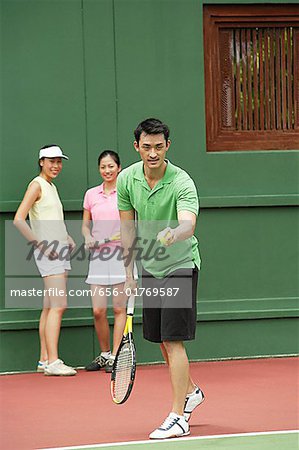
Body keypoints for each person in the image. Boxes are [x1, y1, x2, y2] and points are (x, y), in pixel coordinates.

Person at [117, 118, 204, 439]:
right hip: (150, 266)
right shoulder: (127, 179)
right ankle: (192, 391)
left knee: (172, 339)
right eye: (146, 146)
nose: (152, 153)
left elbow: (188, 224)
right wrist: (128, 271)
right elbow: (127, 229)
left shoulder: (182, 182)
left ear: (168, 146)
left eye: (158, 146)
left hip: (180, 263)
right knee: (160, 342)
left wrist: (173, 233)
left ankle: (178, 416)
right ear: (136, 147)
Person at [14, 145, 77, 376]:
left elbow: (49, 219)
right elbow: (19, 219)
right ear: (41, 162)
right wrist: (41, 245)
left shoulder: (51, 186)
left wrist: (66, 237)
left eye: (59, 161)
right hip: (49, 252)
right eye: (51, 161)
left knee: (50, 306)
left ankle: (43, 359)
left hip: (59, 250)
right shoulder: (36, 185)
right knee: (59, 306)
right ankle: (53, 361)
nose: (56, 165)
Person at [82, 150, 132, 373]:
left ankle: (115, 356)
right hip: (99, 258)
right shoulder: (91, 195)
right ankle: (104, 354)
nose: (107, 170)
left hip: (122, 257)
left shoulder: (126, 193)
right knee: (98, 311)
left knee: (119, 309)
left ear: (119, 168)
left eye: (111, 166)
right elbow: (85, 225)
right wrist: (88, 237)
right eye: (103, 166)